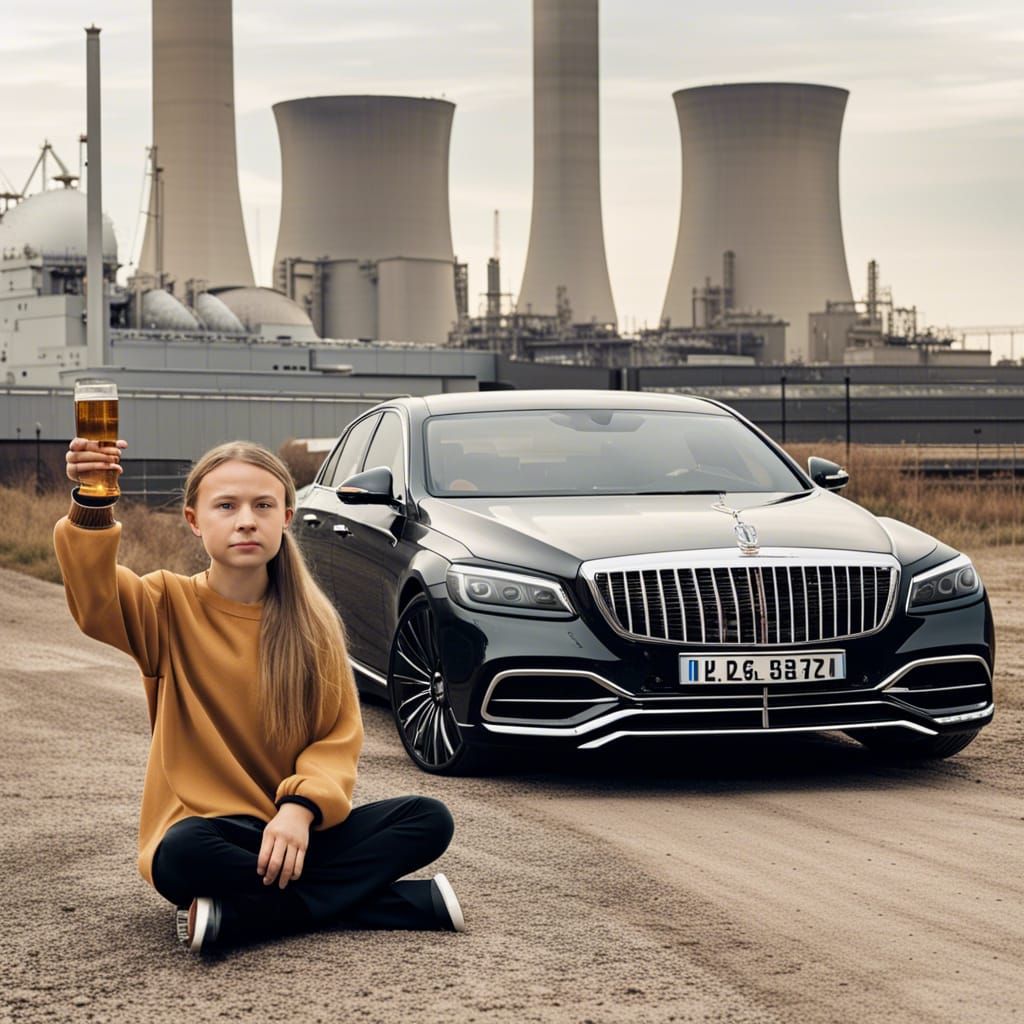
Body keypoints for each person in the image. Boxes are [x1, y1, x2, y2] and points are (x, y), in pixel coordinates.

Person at [54, 436, 464, 954]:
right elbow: (95, 600)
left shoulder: (314, 625)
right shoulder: (166, 604)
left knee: (427, 819)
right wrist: (93, 500)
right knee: (180, 853)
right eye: (226, 506)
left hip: (294, 832)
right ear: (193, 520)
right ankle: (384, 904)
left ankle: (241, 914)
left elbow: (335, 740)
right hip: (210, 835)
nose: (246, 520)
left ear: (286, 517)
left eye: (263, 506)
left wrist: (298, 810)